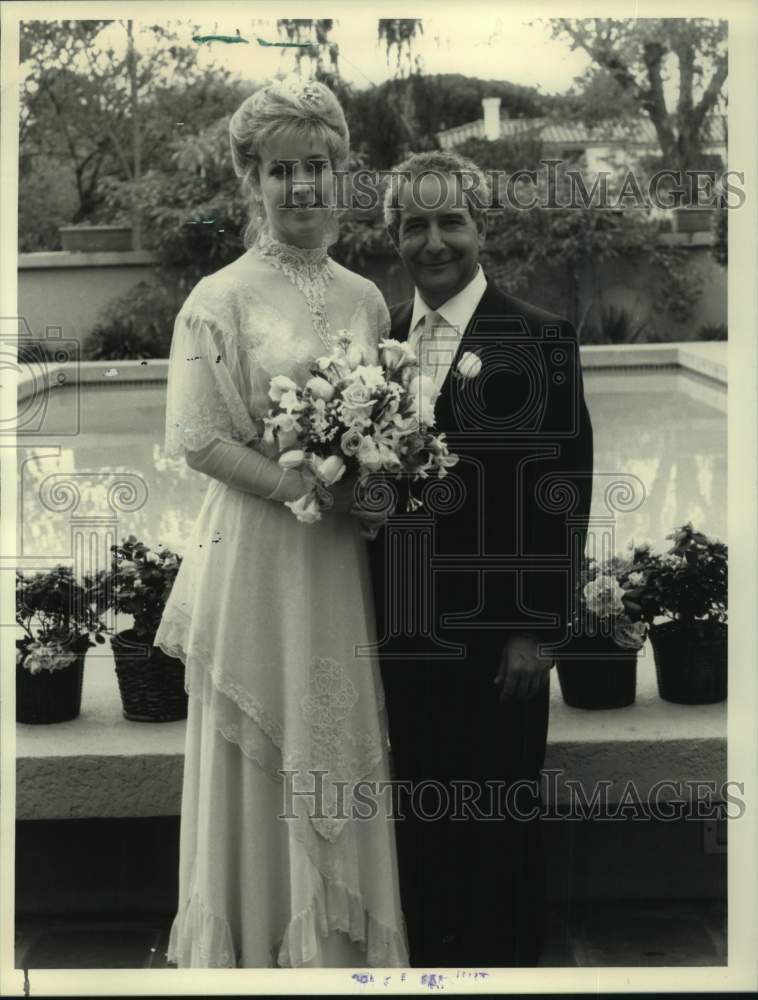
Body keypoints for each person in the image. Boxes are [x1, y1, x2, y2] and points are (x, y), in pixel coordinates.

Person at [154, 78, 408, 969]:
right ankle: (256, 949)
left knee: (334, 729)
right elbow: (195, 439)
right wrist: (302, 489)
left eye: (318, 166)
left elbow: (386, 427)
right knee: (262, 746)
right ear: (251, 181)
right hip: (260, 553)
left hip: (334, 563)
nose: (301, 187)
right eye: (280, 171)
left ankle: (337, 951)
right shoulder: (216, 298)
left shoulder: (367, 299)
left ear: (342, 174)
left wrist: (370, 485)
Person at [369, 150, 594, 967]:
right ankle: (429, 958)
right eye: (414, 225)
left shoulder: (540, 339)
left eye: (450, 221)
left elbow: (565, 495)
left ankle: (506, 970)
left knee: (500, 816)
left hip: (501, 642)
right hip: (400, 631)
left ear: (480, 227)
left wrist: (537, 631)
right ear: (394, 236)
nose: (434, 242)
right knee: (417, 815)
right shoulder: (376, 341)